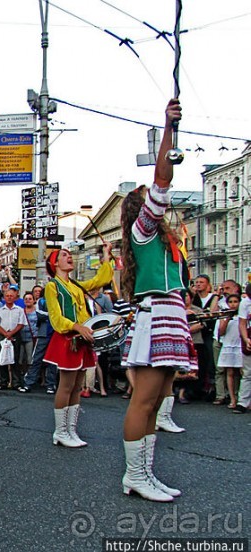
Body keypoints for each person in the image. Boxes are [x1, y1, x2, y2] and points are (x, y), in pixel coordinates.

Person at [120, 99, 195, 502]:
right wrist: (168, 127)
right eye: (149, 196)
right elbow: (163, 177)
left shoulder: (163, 241)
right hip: (156, 318)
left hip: (170, 315)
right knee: (145, 399)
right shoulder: (144, 230)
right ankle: (134, 475)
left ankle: (145, 473)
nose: (158, 198)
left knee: (158, 399)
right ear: (142, 208)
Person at [43, 242, 114, 448]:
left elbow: (102, 279)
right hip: (68, 339)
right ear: (55, 263)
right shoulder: (52, 286)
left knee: (77, 387)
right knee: (65, 386)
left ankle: (71, 430)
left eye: (69, 254)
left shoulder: (77, 285)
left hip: (82, 340)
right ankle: (60, 431)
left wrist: (107, 255)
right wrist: (76, 326)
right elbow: (56, 319)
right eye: (64, 255)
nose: (69, 257)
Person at [0, 287, 27, 390]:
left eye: (11, 296)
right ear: (4, 297)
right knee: (2, 359)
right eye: (7, 296)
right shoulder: (0, 311)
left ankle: (16, 383)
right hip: (2, 336)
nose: (9, 298)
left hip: (15, 335)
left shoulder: (19, 310)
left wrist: (11, 333)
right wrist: (6, 334)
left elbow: (21, 324)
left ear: (15, 297)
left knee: (15, 359)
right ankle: (2, 382)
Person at [217, 294, 243, 409]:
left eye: (236, 301)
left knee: (243, 373)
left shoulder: (243, 315)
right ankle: (233, 399)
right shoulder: (224, 315)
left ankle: (243, 398)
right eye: (231, 302)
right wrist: (227, 318)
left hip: (240, 346)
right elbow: (221, 332)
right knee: (230, 373)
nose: (233, 304)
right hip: (228, 345)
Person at [233, 282, 251, 414]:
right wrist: (245, 339)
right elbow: (242, 323)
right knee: (248, 373)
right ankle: (242, 402)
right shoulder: (245, 303)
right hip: (249, 336)